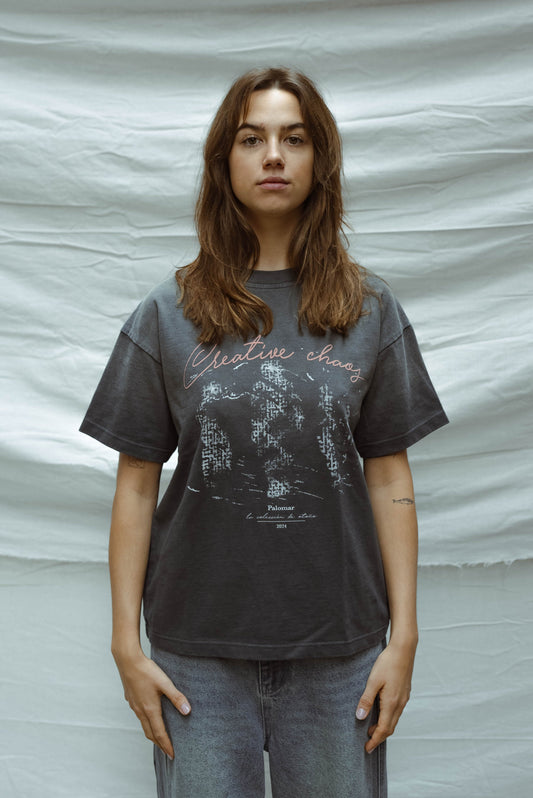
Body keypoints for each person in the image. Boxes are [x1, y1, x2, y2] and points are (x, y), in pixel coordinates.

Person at [80, 67, 448, 798]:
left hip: (340, 650)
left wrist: (404, 635)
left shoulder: (368, 308)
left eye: (294, 138)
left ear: (320, 160)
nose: (273, 155)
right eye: (251, 139)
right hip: (197, 656)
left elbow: (388, 474)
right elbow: (136, 483)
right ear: (224, 161)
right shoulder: (168, 312)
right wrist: (125, 642)